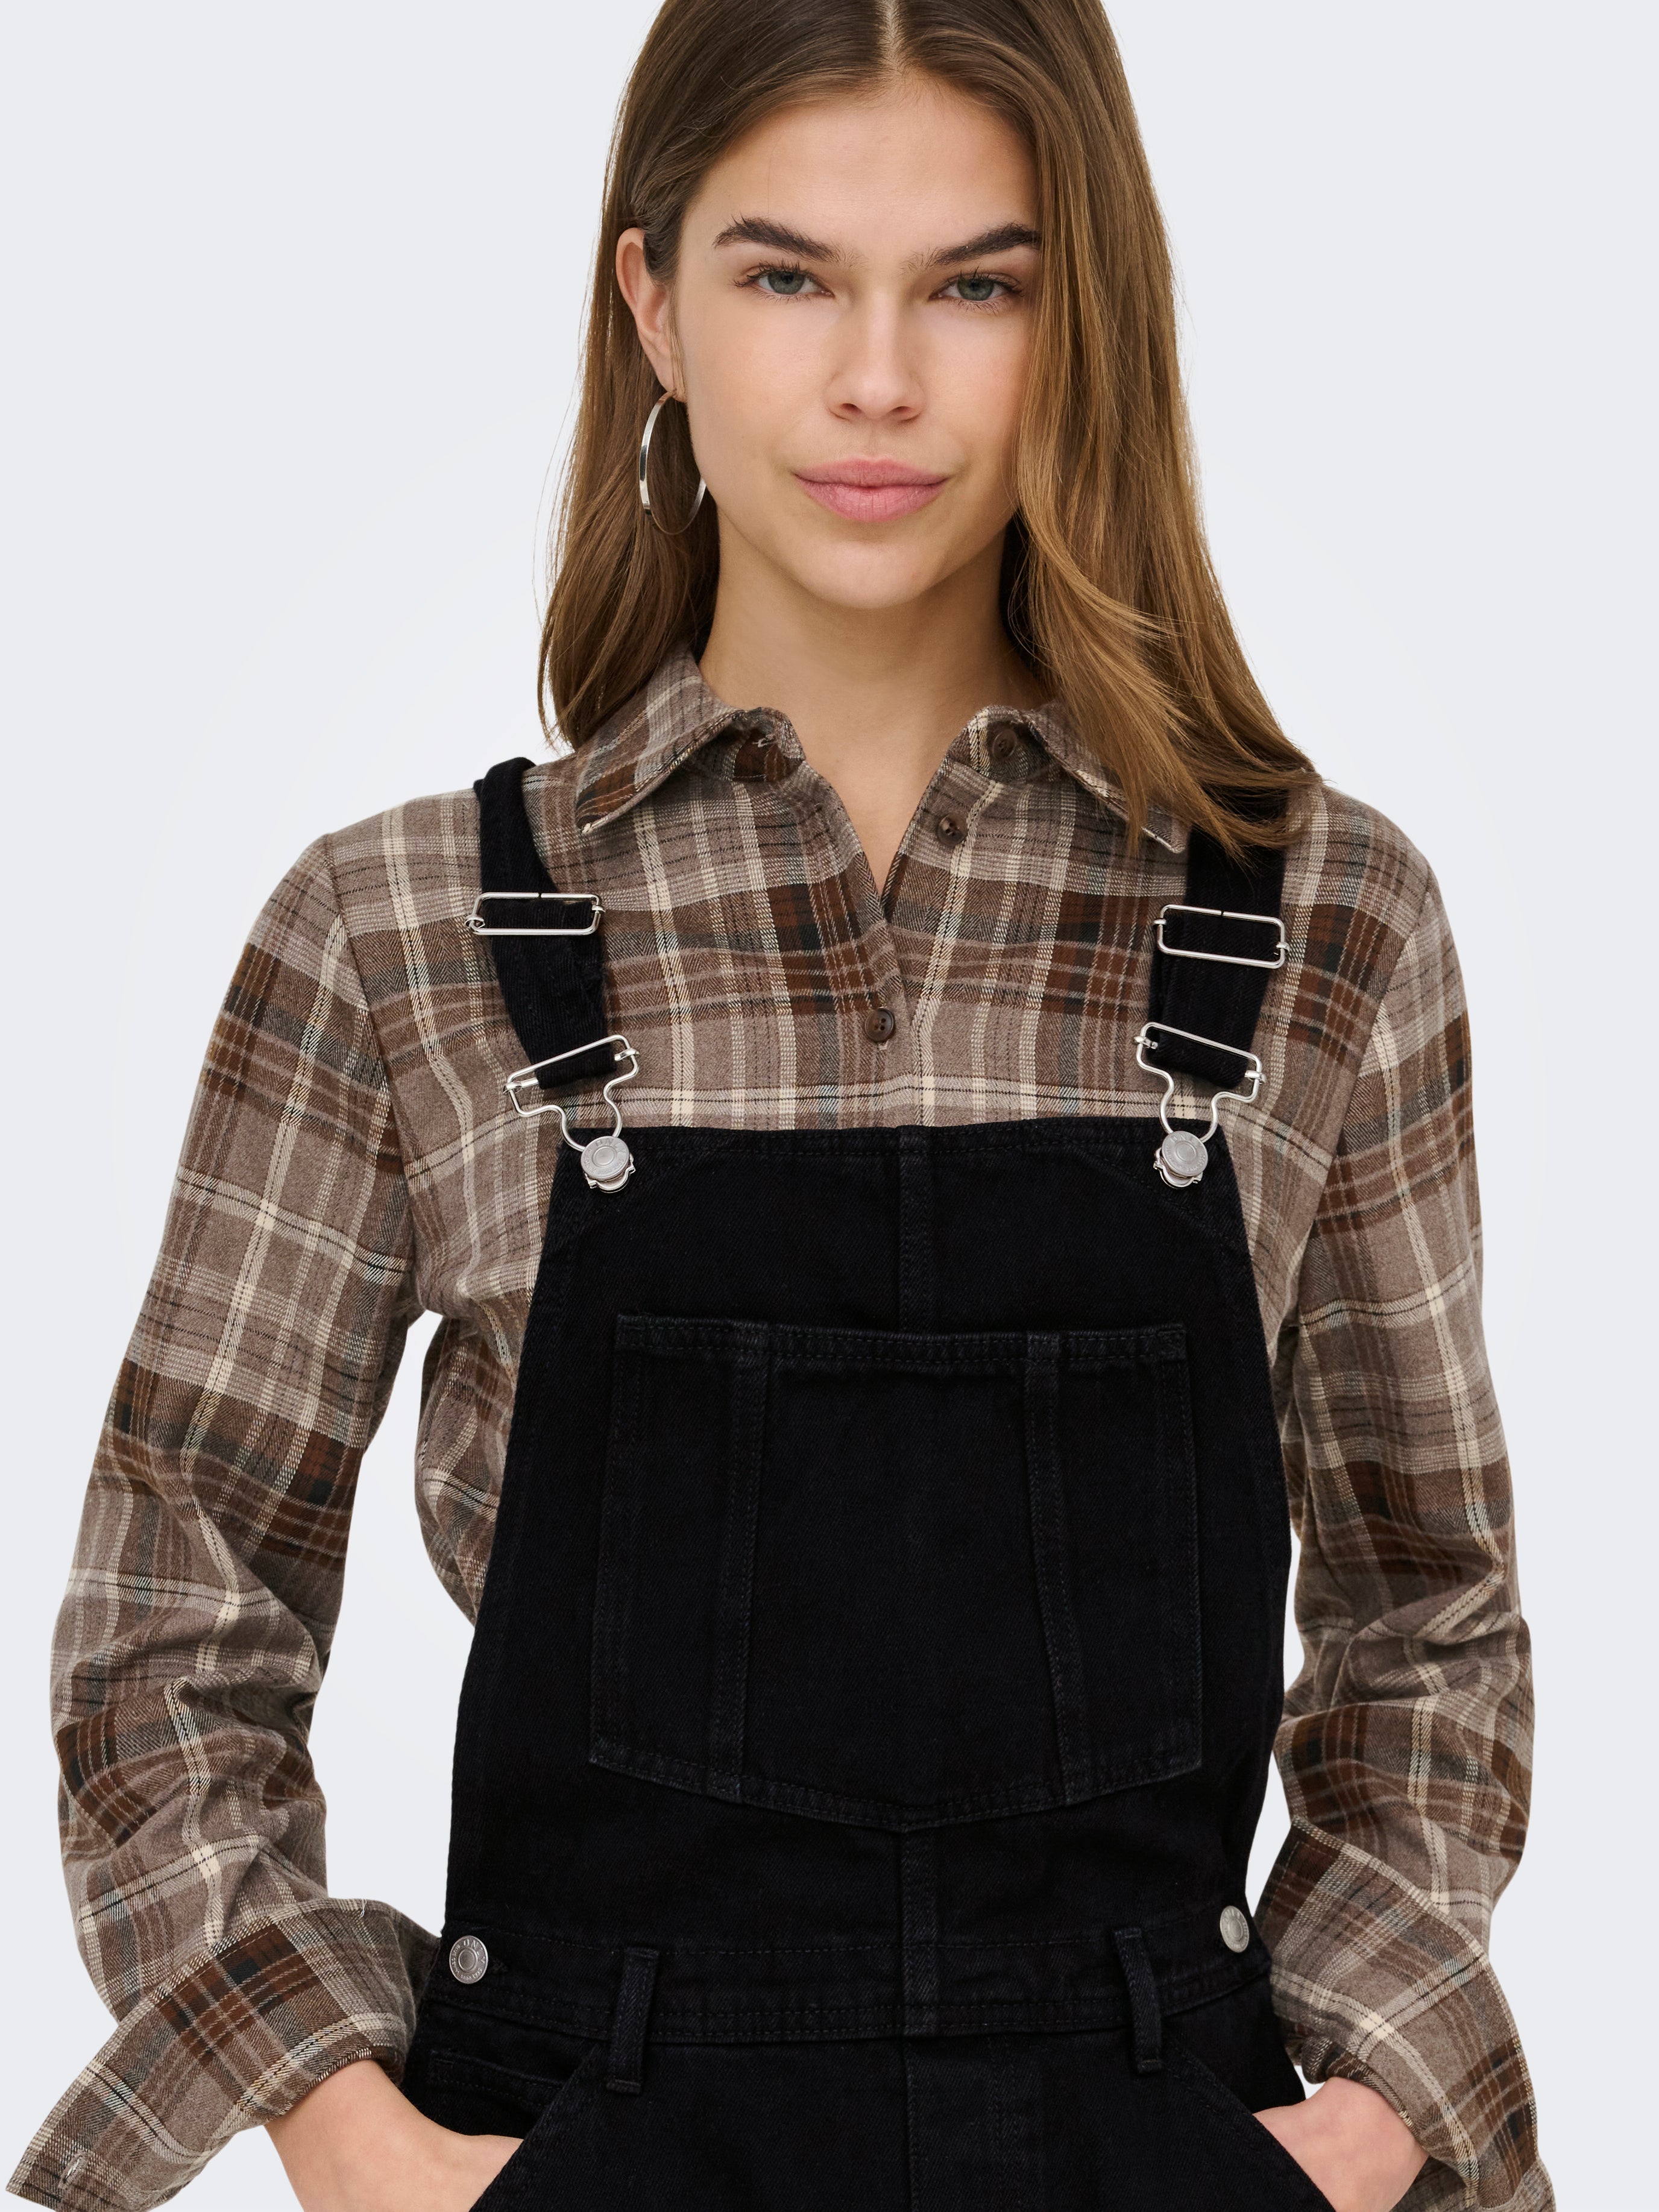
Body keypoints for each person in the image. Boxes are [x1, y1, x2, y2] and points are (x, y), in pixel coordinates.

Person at [10, 4, 1548, 2210]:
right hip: (579, 2145)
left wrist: (1361, 2133)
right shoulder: (398, 935)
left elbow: (1430, 1620)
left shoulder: (1324, 922)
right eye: (790, 274)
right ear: (651, 303)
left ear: (1086, 320)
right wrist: (359, 2146)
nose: (879, 381)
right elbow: (177, 1614)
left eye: (977, 286)